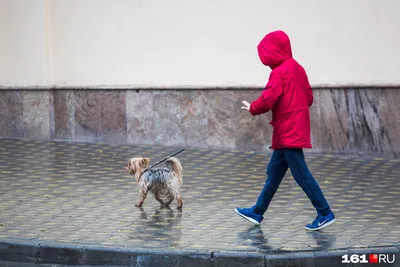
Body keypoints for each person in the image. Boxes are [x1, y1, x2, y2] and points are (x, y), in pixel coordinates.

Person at [236, 30, 335, 231]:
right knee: (274, 172)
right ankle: (257, 212)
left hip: (288, 129)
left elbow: (269, 99)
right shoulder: (298, 68)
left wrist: (253, 107)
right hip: (290, 128)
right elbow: (308, 98)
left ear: (273, 50)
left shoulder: (279, 72)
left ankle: (324, 213)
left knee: (301, 173)